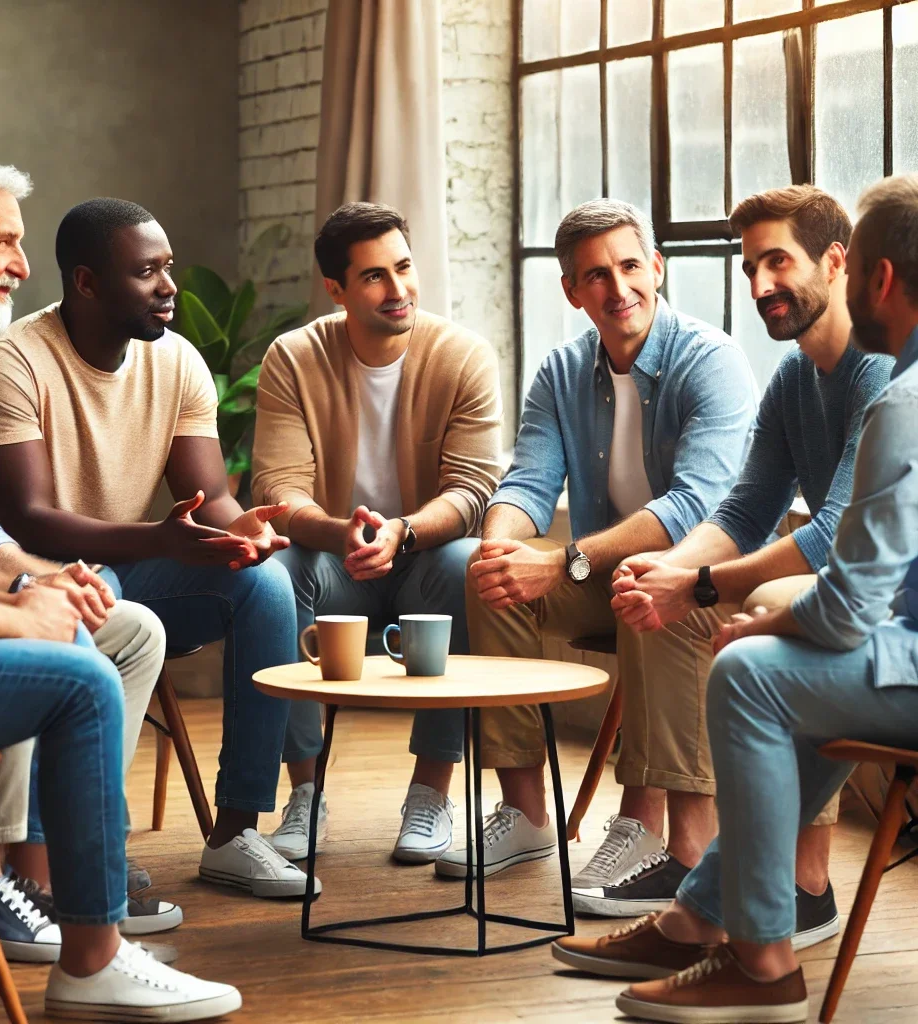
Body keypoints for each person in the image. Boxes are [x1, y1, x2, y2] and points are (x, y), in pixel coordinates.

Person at [552, 174, 918, 1024]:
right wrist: (680, 574)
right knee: (775, 651)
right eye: (747, 265)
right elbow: (746, 507)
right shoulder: (799, 380)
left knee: (757, 669)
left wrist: (722, 595)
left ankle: (759, 955)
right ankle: (700, 914)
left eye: (777, 263)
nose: (757, 286)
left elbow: (840, 566)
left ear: (866, 273)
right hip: (891, 631)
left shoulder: (895, 395)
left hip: (893, 633)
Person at [0, 209, 241, 1022]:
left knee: (125, 624)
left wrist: (39, 587)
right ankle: (74, 935)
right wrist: (26, 613)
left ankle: (55, 886)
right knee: (76, 671)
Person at [0, 198, 317, 898]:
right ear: (88, 283)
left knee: (268, 584)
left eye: (170, 269)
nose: (169, 288)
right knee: (112, 606)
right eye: (148, 272)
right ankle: (92, 837)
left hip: (137, 561)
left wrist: (239, 531)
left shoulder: (179, 361)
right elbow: (28, 519)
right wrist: (162, 540)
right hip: (45, 575)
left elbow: (208, 496)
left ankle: (236, 831)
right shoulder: (10, 363)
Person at [426, 199, 758, 893]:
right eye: (597, 276)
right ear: (573, 291)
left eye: (631, 266)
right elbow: (526, 485)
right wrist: (500, 549)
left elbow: (694, 506)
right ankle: (523, 813)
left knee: (647, 583)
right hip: (607, 580)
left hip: (708, 588)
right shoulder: (561, 373)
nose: (618, 289)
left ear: (658, 269)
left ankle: (645, 826)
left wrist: (562, 560)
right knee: (483, 575)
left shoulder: (712, 361)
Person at [251, 202, 501, 862]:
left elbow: (474, 491)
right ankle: (305, 793)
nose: (398, 291)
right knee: (274, 576)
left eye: (405, 268)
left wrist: (403, 532)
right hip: (339, 570)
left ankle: (430, 792)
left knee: (467, 563)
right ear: (335, 289)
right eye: (373, 278)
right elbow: (277, 490)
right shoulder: (295, 358)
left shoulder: (463, 355)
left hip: (425, 562)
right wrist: (344, 535)